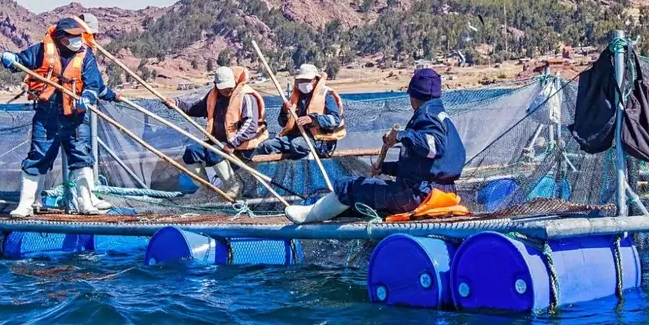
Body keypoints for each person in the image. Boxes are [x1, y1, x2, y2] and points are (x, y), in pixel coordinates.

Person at [285, 68, 466, 224]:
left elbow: (435, 147)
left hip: (414, 196)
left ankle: (310, 215)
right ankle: (327, 212)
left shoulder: (426, 116)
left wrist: (402, 135)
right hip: (442, 191)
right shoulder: (443, 117)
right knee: (358, 199)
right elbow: (427, 166)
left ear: (414, 95)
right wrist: (386, 168)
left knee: (350, 186)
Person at [1, 16, 120, 218]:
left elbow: (93, 84)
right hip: (47, 116)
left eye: (79, 36)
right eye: (72, 37)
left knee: (81, 157)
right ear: (61, 38)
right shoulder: (42, 50)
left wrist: (88, 97)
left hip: (76, 117)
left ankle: (86, 203)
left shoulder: (86, 54)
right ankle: (26, 205)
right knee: (38, 157)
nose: (77, 40)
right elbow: (20, 61)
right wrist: (10, 59)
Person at [165, 66, 268, 197]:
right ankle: (207, 188)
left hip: (243, 145)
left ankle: (233, 186)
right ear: (216, 85)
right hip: (219, 143)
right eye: (224, 88)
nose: (228, 90)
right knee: (191, 152)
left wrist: (232, 144)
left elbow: (251, 126)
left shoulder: (246, 96)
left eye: (230, 86)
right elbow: (196, 108)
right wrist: (177, 103)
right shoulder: (213, 96)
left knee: (214, 152)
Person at [256, 63, 345, 160]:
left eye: (307, 80)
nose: (303, 83)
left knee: (297, 145)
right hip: (295, 136)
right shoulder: (296, 97)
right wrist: (285, 111)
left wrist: (312, 119)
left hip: (319, 140)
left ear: (315, 80)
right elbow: (283, 123)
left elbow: (335, 120)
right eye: (300, 81)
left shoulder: (326, 95)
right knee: (267, 145)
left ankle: (306, 159)